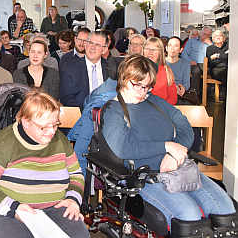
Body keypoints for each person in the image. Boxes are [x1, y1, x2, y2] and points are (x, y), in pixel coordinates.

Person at [101, 54, 236, 230]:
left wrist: (174, 153)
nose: (143, 92)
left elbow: (184, 126)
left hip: (180, 168)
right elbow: (123, 147)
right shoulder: (114, 110)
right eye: (138, 86)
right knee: (190, 217)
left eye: (148, 86)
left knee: (225, 211)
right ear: (125, 79)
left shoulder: (154, 101)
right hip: (145, 178)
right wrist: (166, 146)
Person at [0, 90, 88, 238]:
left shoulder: (59, 140)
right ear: (25, 121)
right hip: (6, 209)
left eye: (55, 125)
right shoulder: (3, 143)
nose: (51, 132)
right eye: (43, 127)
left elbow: (76, 175)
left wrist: (72, 199)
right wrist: (14, 208)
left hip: (54, 207)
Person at [59, 31, 109, 108]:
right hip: (80, 115)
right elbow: (66, 98)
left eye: (97, 45)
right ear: (86, 45)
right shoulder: (70, 68)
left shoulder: (112, 68)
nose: (92, 47)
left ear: (104, 49)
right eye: (90, 43)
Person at [144, 37, 177, 105]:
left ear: (160, 53)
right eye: (147, 48)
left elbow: (173, 98)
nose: (150, 52)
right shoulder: (135, 69)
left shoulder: (166, 71)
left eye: (154, 49)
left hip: (162, 110)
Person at [181, 27, 210, 95]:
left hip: (205, 64)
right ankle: (194, 93)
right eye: (204, 34)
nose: (205, 36)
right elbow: (184, 54)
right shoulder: (191, 41)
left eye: (208, 35)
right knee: (196, 70)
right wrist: (190, 61)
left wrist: (210, 44)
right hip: (194, 63)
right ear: (200, 33)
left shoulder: (209, 43)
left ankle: (208, 94)